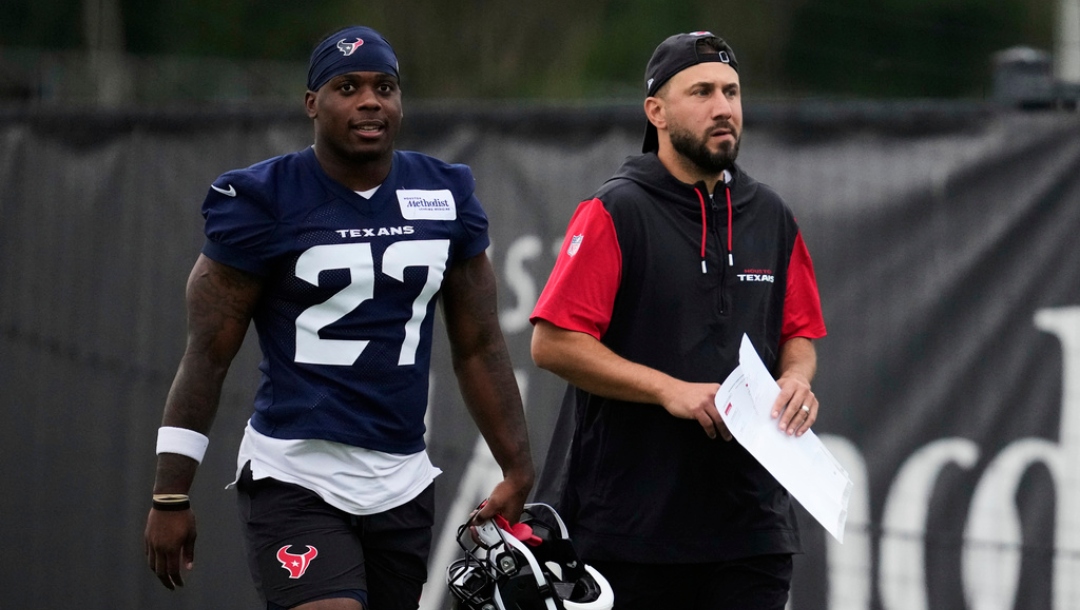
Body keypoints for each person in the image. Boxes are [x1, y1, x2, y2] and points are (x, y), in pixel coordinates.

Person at [143, 25, 535, 610]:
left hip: (401, 476)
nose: (370, 100)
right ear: (312, 104)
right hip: (295, 473)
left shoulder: (444, 193)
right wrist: (170, 493)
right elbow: (208, 352)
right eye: (347, 86)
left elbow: (478, 345)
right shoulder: (262, 198)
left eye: (385, 86)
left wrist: (517, 467)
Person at [529, 31, 827, 610]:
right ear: (656, 112)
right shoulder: (616, 209)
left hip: (751, 528)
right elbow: (554, 343)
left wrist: (797, 380)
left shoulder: (771, 214)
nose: (723, 107)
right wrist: (669, 390)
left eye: (732, 92)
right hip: (630, 530)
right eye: (702, 92)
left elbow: (800, 333)